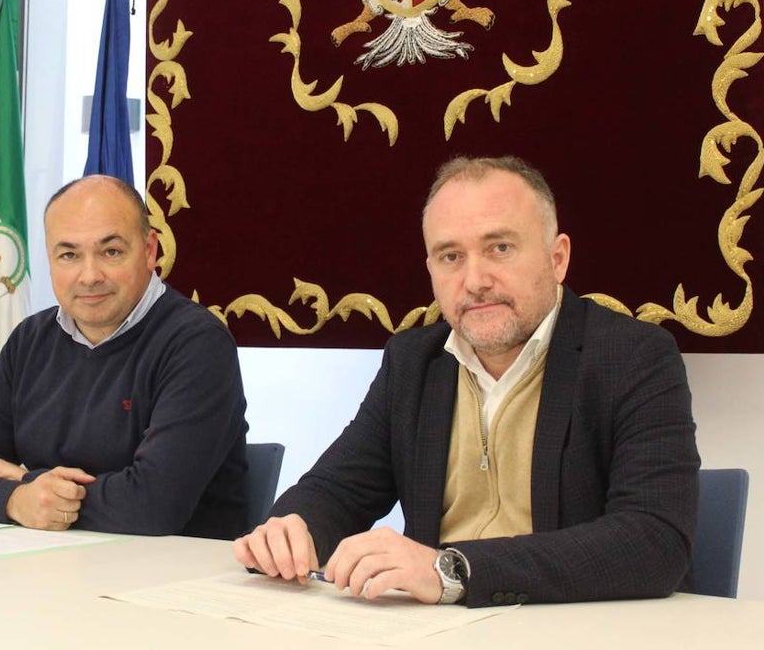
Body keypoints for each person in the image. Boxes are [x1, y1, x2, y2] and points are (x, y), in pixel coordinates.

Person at [234, 156, 700, 607]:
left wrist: (452, 571)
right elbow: (339, 490)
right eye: (450, 256)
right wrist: (292, 528)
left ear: (557, 259)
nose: (474, 280)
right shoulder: (413, 361)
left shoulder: (636, 357)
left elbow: (654, 540)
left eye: (500, 248)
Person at [0, 175, 249, 538]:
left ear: (149, 250)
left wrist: (25, 479)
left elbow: (152, 507)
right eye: (68, 255)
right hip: (54, 568)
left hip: (172, 578)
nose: (89, 275)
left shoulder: (197, 344)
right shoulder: (30, 340)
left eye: (111, 252)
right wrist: (16, 501)